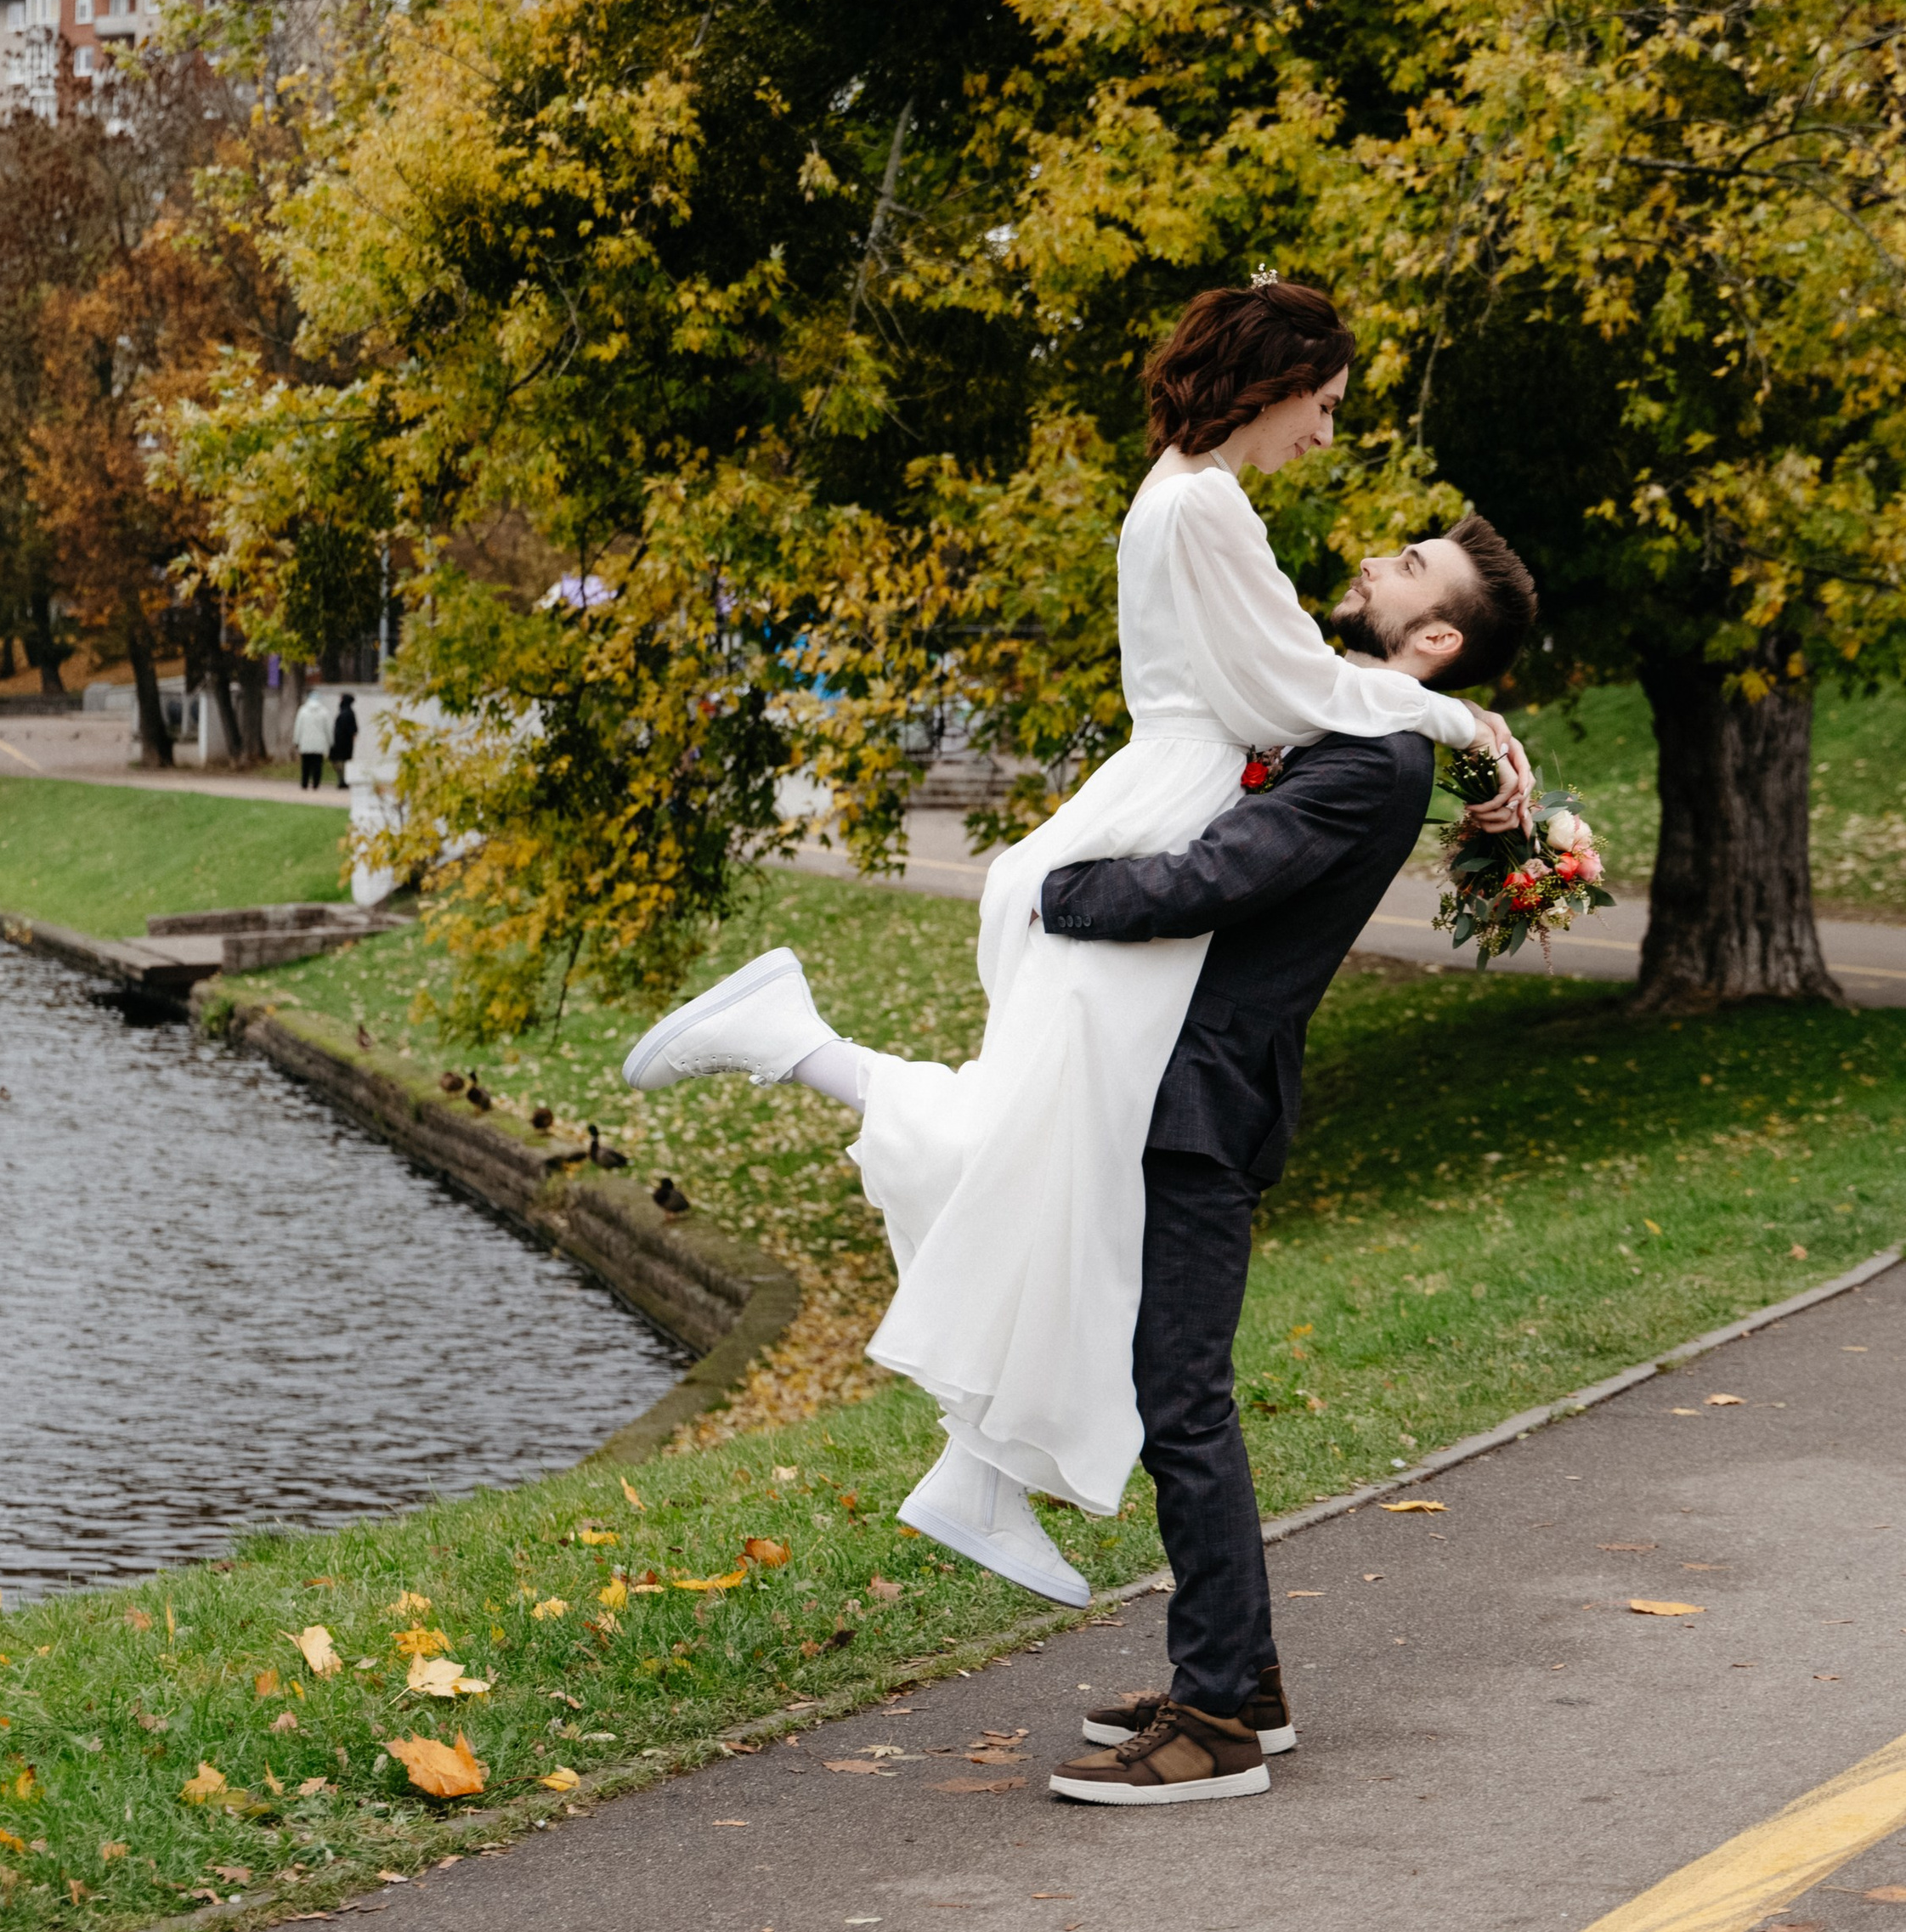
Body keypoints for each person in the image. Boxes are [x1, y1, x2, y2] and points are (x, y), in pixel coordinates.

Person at [625, 279, 1533, 1608]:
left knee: (1045, 1168)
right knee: (1033, 1164)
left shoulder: (1186, 494)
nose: (1327, 438)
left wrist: (1442, 724)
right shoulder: (1204, 504)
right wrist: (1462, 726)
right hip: (1149, 830)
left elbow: (1289, 692)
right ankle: (795, 1047)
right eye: (1325, 407)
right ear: (1272, 383)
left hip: (1150, 811)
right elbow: (1288, 695)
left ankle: (978, 1475)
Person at [1040, 513, 1537, 1805]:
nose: (1374, 560)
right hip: (1183, 1081)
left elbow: (1215, 876)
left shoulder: (1372, 760)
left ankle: (1214, 1724)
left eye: (1409, 568)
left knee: (1182, 1392)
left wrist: (1052, 887)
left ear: (1434, 637)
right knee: (1173, 1388)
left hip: (1210, 1096)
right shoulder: (1355, 720)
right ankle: (1240, 1681)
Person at [291, 684, 334, 793]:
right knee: (317, 765)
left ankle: (304, 783)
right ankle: (316, 784)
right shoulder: (324, 712)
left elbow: (298, 727)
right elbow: (328, 729)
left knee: (305, 765)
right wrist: (331, 741)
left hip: (305, 743)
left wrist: (296, 741)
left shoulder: (303, 711)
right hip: (319, 743)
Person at [329, 691, 359, 790]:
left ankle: (342, 779)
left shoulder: (346, 713)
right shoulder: (349, 712)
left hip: (340, 741)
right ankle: (343, 779)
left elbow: (352, 730)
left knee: (337, 760)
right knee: (344, 761)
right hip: (346, 742)